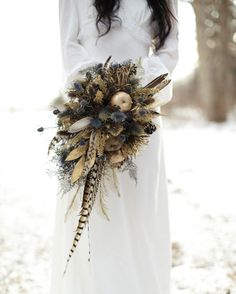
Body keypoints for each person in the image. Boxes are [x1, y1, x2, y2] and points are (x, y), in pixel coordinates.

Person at [50, 0, 179, 293]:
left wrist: (136, 89)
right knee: (93, 218)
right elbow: (69, 46)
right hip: (90, 114)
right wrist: (101, 89)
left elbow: (170, 48)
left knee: (139, 217)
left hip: (143, 113)